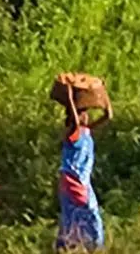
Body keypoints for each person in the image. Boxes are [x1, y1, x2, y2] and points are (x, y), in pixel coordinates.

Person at [57, 83, 112, 251]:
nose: (87, 117)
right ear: (76, 118)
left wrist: (104, 95)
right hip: (74, 181)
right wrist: (70, 98)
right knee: (88, 212)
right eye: (83, 114)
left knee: (75, 214)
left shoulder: (86, 131)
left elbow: (108, 116)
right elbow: (74, 119)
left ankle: (72, 244)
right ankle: (88, 244)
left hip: (81, 181)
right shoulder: (73, 133)